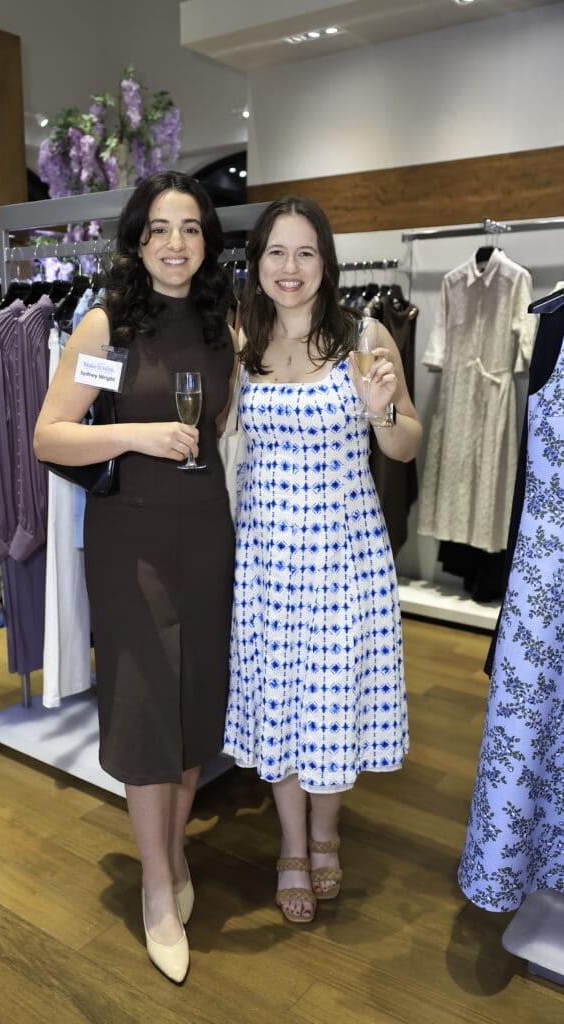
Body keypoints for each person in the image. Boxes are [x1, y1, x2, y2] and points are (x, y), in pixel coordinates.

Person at [34, 172, 236, 982]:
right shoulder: (108, 326)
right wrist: (135, 435)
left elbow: (222, 430)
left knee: (191, 713)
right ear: (136, 239)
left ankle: (174, 852)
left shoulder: (224, 328)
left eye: (190, 228)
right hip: (131, 546)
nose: (176, 243)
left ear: (206, 242)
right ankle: (157, 884)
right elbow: (50, 436)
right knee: (148, 709)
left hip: (207, 540)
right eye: (160, 228)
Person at [223, 195, 422, 924]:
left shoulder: (363, 334)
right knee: (280, 701)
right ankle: (290, 848)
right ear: (258, 263)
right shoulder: (242, 337)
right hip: (268, 556)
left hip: (343, 554)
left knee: (333, 701)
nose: (290, 267)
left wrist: (381, 409)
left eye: (306, 252)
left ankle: (325, 833)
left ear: (326, 264)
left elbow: (404, 444)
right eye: (276, 251)